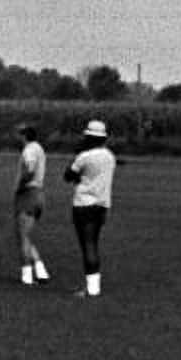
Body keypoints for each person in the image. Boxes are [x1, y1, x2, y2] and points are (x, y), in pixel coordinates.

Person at [63, 119, 116, 297]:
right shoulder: (110, 156)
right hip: (102, 204)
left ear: (90, 137)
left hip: (84, 204)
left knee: (87, 246)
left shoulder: (84, 157)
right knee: (93, 243)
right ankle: (94, 287)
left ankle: (92, 289)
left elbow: (68, 175)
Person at [13, 122, 49, 285]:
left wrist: (19, 186)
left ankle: (27, 276)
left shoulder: (29, 150)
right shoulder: (39, 148)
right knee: (25, 236)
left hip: (28, 194)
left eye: (19, 134)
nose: (17, 137)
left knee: (22, 238)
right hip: (39, 195)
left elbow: (29, 169)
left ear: (24, 135)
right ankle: (41, 271)